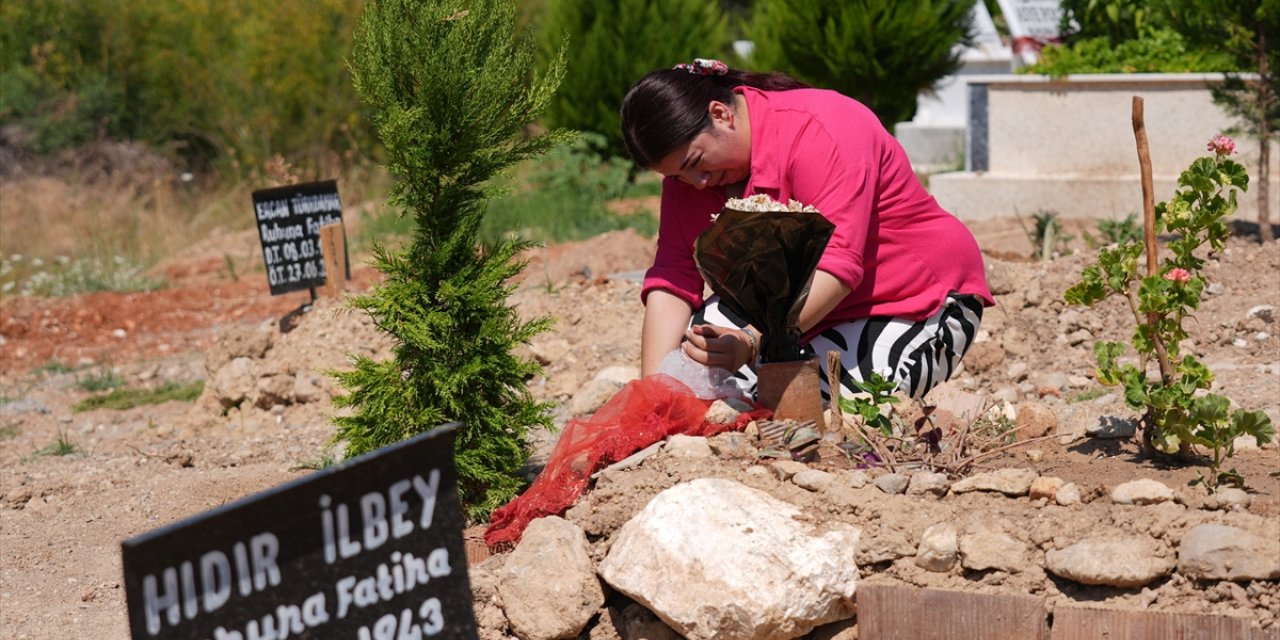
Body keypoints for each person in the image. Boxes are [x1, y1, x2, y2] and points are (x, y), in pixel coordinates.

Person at [620, 58, 994, 400]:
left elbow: (837, 264)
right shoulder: (689, 177)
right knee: (689, 392)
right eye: (678, 176)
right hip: (787, 308)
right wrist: (652, 390)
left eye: (695, 162)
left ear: (721, 115)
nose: (697, 183)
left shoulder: (824, 129)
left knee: (848, 410)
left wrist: (751, 341)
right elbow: (673, 277)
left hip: (911, 300)